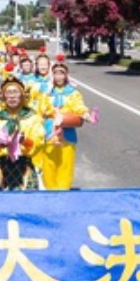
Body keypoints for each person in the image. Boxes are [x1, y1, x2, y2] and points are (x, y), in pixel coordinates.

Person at [0, 69, 46, 191]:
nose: (12, 96)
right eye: (8, 93)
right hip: (1, 167)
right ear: (3, 95)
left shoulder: (31, 115)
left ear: (22, 95)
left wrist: (24, 141)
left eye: (15, 92)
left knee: (27, 206)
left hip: (24, 167)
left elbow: (39, 141)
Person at [40, 56, 97, 190]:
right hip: (50, 131)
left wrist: (86, 115)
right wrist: (50, 113)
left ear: (66, 76)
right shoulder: (47, 92)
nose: (59, 76)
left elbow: (79, 107)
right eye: (56, 73)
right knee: (49, 163)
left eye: (62, 73)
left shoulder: (73, 93)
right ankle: (50, 191)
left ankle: (63, 190)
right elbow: (40, 109)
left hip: (68, 131)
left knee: (66, 163)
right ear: (52, 75)